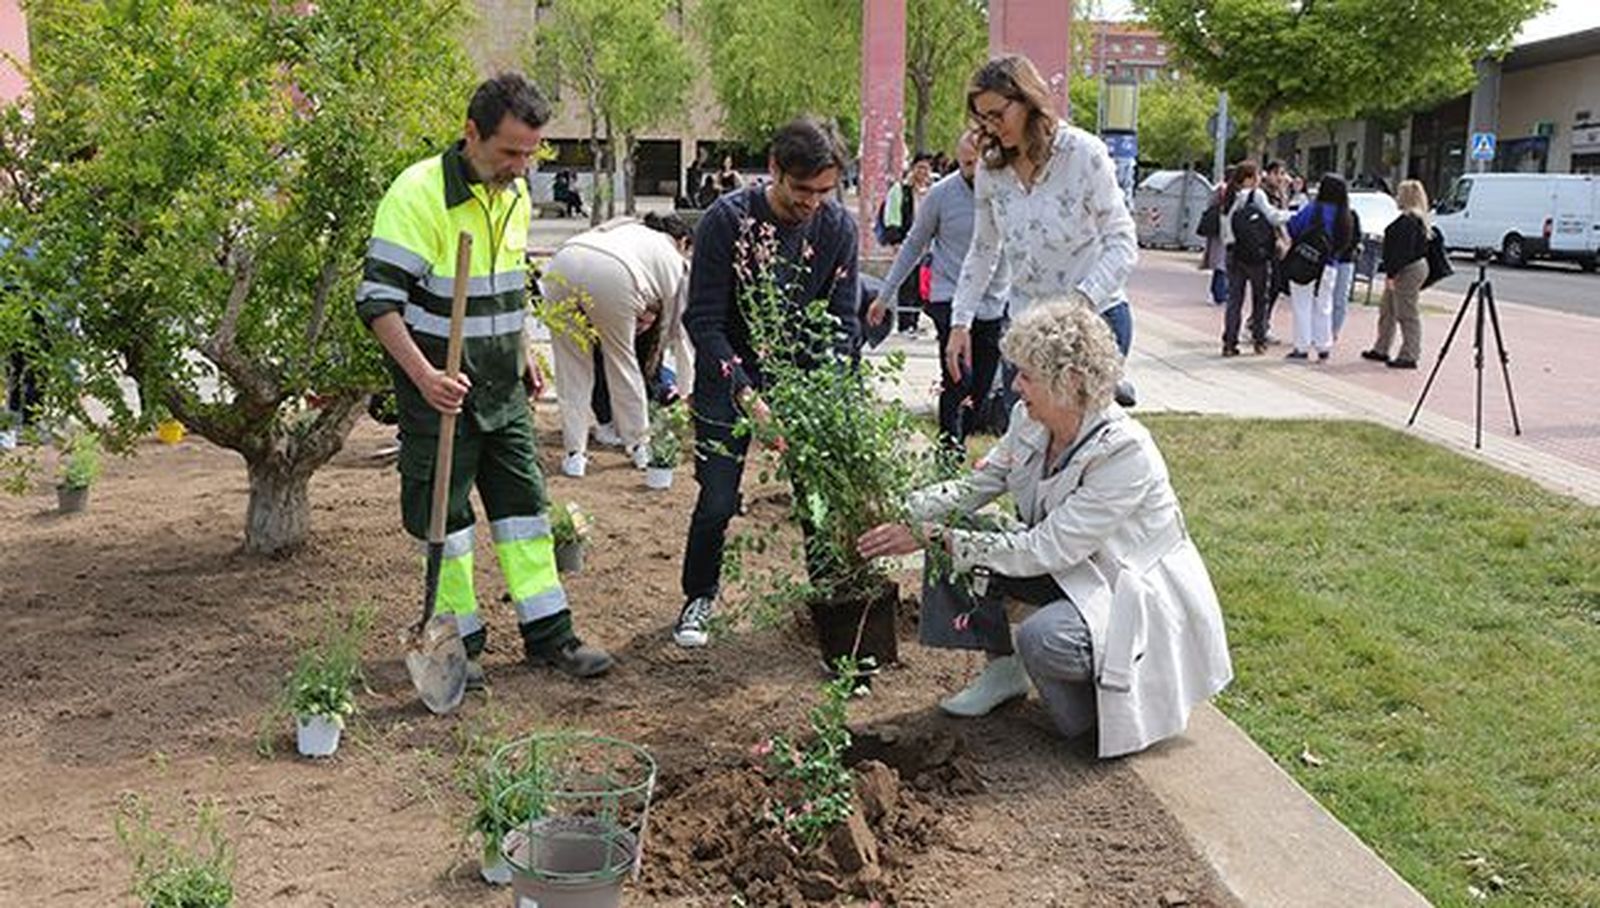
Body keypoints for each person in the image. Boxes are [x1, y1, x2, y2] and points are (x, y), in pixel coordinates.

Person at [856, 300, 1232, 757]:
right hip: (1073, 569)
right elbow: (979, 485)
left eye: (1026, 376)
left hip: (1128, 590)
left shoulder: (1125, 453)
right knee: (959, 533)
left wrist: (939, 538)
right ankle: (1005, 672)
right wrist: (904, 510)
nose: (1014, 387)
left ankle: (1108, 716)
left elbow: (1045, 549)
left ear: (1070, 381)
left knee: (1046, 640)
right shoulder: (1029, 422)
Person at [355, 73, 613, 685]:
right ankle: (459, 647)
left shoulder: (513, 194)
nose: (523, 168)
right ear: (472, 134)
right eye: (510, 153)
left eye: (531, 153)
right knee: (446, 521)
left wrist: (522, 347)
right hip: (438, 393)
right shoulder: (418, 194)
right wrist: (423, 379)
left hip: (502, 386)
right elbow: (377, 302)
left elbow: (502, 284)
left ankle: (551, 637)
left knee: (525, 511)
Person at [673, 116, 860, 648]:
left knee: (817, 496)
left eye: (825, 191)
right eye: (803, 189)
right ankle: (699, 596)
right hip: (727, 372)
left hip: (799, 379)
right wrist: (748, 397)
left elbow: (842, 325)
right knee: (717, 497)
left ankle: (830, 596)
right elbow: (702, 322)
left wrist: (829, 395)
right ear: (775, 169)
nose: (813, 203)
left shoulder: (836, 228)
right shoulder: (726, 222)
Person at [946, 55, 1139, 407]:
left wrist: (1079, 304)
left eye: (998, 115)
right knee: (1025, 442)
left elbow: (1123, 242)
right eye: (982, 118)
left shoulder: (1084, 153)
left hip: (1092, 322)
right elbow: (984, 249)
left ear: (1027, 100)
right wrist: (961, 322)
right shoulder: (991, 169)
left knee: (1079, 448)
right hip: (1026, 329)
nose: (990, 127)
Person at [869, 130, 1009, 449]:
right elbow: (914, 244)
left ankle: (964, 433)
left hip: (992, 301)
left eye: (974, 163)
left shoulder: (1008, 190)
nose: (969, 171)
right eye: (962, 164)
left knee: (982, 385)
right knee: (958, 376)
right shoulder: (941, 195)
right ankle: (948, 450)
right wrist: (885, 294)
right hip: (949, 295)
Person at [541, 212, 694, 477]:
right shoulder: (672, 256)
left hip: (564, 260)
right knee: (621, 361)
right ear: (682, 242)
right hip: (614, 273)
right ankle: (639, 446)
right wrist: (687, 388)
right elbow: (679, 333)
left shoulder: (626, 227)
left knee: (570, 365)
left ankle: (574, 454)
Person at [1220, 160, 1290, 356]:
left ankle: (1229, 343)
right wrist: (1293, 215)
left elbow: (1224, 227)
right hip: (1256, 255)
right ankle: (1259, 340)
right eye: (1257, 176)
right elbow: (1272, 216)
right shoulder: (1255, 195)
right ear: (1249, 179)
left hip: (1233, 253)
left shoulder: (1228, 195)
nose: (1259, 179)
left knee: (1234, 300)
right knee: (1260, 298)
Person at [1361, 180, 1432, 370]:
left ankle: (1410, 354)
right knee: (1388, 309)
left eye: (1400, 193)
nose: (1396, 197)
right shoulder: (1414, 219)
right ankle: (1381, 347)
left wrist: (1391, 275)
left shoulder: (1409, 221)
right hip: (1408, 268)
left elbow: (1402, 252)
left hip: (1406, 269)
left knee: (1406, 312)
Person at [1283, 173, 1354, 361]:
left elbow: (1294, 227)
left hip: (1307, 261)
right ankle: (1323, 346)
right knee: (1324, 305)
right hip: (1330, 265)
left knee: (1302, 304)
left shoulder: (1314, 209)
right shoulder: (1345, 214)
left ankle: (1302, 347)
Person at [876, 152, 936, 334]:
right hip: (907, 242)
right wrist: (895, 240)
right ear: (912, 168)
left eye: (927, 168)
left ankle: (915, 321)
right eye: (920, 167)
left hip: (928, 245)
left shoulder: (933, 191)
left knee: (922, 285)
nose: (923, 172)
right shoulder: (900, 190)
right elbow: (892, 215)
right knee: (906, 282)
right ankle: (905, 324)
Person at [1200, 168, 1232, 307]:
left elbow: (1210, 204)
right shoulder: (1224, 189)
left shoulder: (1218, 188)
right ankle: (1220, 294)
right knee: (1222, 264)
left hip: (1217, 230)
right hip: (1223, 230)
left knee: (1220, 263)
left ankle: (1217, 292)